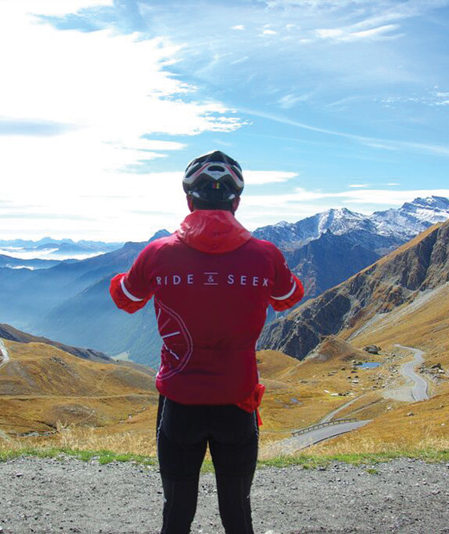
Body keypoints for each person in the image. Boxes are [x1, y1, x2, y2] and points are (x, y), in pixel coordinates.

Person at [109, 150, 304, 534]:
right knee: (237, 510)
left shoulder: (158, 253)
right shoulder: (265, 255)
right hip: (238, 400)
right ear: (237, 201)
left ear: (188, 200)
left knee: (177, 511)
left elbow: (126, 300)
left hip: (180, 401)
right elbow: (289, 297)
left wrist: (127, 274)